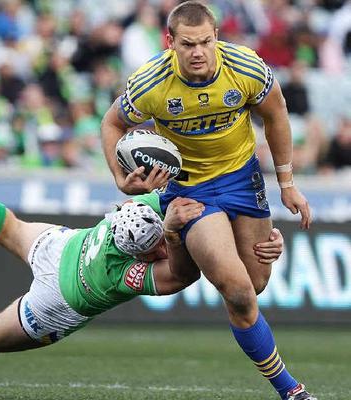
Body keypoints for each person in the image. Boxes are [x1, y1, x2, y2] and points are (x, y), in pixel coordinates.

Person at [99, 2, 313, 400]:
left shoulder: (246, 67)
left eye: (205, 42)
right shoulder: (150, 83)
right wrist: (119, 178)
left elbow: (277, 114)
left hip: (242, 178)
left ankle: (179, 248)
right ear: (171, 43)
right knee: (238, 291)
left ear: (216, 37)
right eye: (188, 44)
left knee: (256, 282)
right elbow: (112, 122)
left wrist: (287, 184)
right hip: (189, 190)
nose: (198, 51)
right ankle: (291, 390)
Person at [0, 179, 283, 358]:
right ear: (144, 255)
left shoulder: (131, 214)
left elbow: (140, 200)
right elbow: (185, 274)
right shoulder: (123, 276)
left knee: (6, 224)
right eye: (159, 248)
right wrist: (179, 233)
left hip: (63, 246)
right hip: (60, 298)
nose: (163, 252)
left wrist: (172, 224)